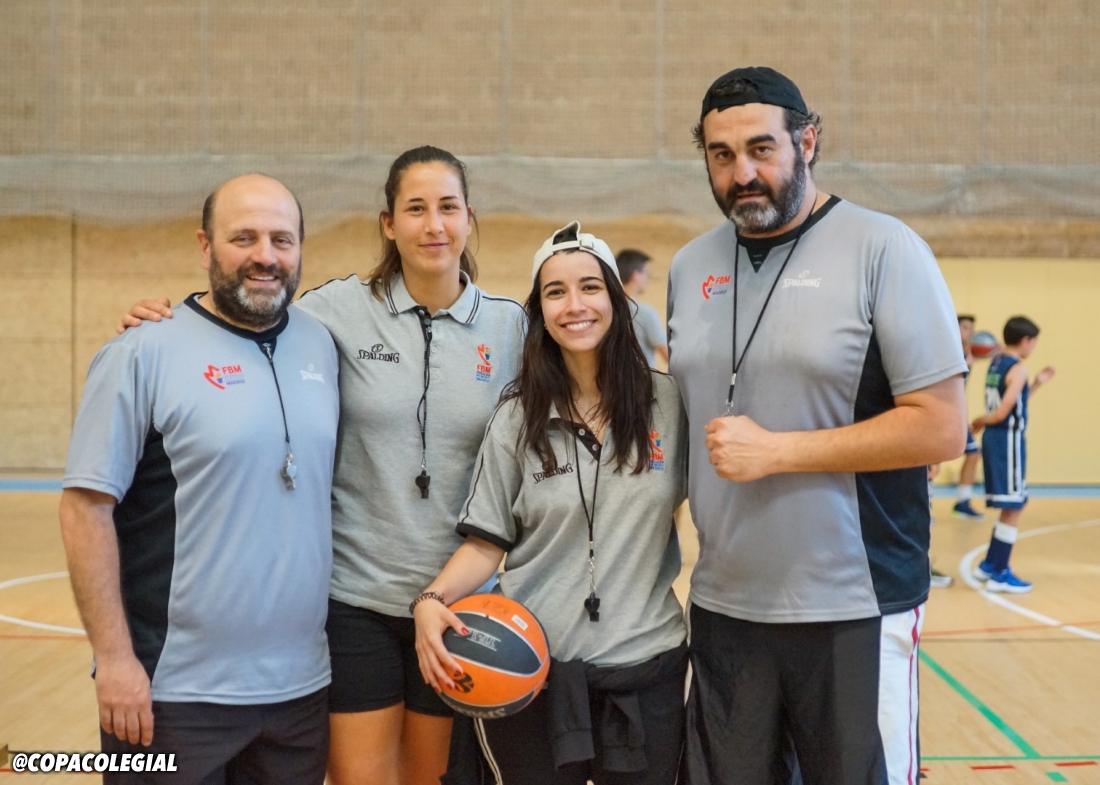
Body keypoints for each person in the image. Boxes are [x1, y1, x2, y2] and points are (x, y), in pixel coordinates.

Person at [118, 146, 527, 785]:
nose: (434, 225)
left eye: (448, 208)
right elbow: (246, 317)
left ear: (469, 219)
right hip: (354, 598)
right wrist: (167, 323)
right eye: (415, 209)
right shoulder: (333, 311)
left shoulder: (510, 329)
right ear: (389, 224)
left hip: (461, 602)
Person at [666, 66, 968, 784]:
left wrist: (780, 452)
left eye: (761, 149)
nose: (742, 173)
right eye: (721, 155)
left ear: (807, 142)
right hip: (724, 607)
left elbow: (940, 429)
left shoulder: (885, 248)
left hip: (855, 604)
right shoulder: (689, 265)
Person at [60, 174, 340, 784]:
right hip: (170, 694)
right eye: (244, 238)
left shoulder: (322, 344)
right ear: (205, 246)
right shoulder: (141, 353)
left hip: (300, 694)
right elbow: (84, 508)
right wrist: (114, 660)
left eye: (282, 239)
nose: (265, 255)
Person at [413, 222, 688, 785]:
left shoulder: (669, 402)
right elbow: (486, 542)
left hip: (647, 670)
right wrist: (431, 599)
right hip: (534, 673)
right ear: (539, 312)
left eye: (590, 287)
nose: (574, 305)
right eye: (555, 292)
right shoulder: (516, 417)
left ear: (617, 299)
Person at [971, 316, 1055, 593]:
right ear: (1025, 341)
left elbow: (1014, 400)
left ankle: (989, 565)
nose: (1033, 347)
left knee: (1012, 504)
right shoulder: (1017, 368)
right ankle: (999, 572)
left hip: (996, 440)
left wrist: (1037, 383)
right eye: (1034, 342)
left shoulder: (996, 363)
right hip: (1007, 440)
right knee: (1015, 505)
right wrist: (981, 419)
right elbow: (1002, 412)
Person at [953, 314, 987, 520]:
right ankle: (923, 506)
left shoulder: (968, 351)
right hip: (941, 412)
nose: (970, 332)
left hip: (955, 414)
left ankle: (962, 501)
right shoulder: (948, 350)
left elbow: (987, 352)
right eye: (965, 327)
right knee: (929, 461)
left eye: (971, 329)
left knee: (973, 452)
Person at [615, 248, 669, 367]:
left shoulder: (609, 309)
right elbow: (669, 356)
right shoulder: (644, 312)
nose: (648, 278)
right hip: (642, 377)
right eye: (647, 273)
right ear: (635, 275)